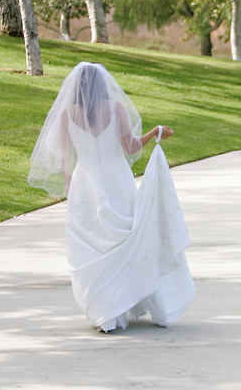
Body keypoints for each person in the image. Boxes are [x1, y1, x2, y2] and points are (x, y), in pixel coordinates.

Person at [28, 62, 195, 333]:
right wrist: (154, 132)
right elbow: (130, 146)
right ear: (102, 85)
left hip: (86, 183)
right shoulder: (116, 109)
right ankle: (120, 303)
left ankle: (107, 312)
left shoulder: (67, 115)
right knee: (125, 241)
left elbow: (64, 156)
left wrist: (69, 180)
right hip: (117, 181)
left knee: (92, 246)